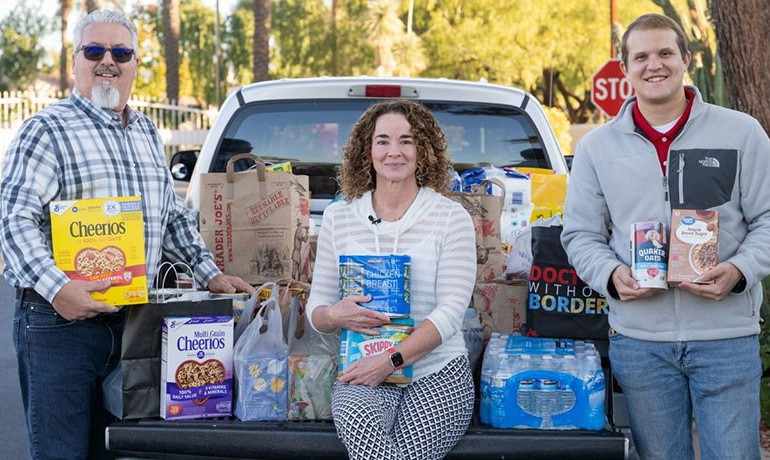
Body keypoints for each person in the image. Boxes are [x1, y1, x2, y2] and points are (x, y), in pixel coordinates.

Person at [0, 10, 255, 460]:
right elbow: (12, 219)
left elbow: (171, 214)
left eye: (120, 52)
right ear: (74, 60)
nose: (107, 62)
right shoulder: (46, 130)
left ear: (135, 63)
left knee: (118, 451)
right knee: (60, 452)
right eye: (94, 51)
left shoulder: (144, 131)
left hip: (133, 321)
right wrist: (60, 289)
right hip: (59, 324)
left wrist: (211, 275)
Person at [562, 13, 770, 460]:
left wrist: (738, 270)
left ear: (686, 59)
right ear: (625, 69)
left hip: (726, 338)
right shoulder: (597, 148)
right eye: (641, 56)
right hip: (640, 343)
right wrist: (612, 274)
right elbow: (580, 234)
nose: (653, 65)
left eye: (664, 53)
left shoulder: (741, 132)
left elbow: (768, 219)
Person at [306, 99, 476, 459]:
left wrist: (391, 361)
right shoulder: (339, 217)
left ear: (423, 150)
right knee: (358, 422)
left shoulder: (451, 218)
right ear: (367, 151)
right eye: (382, 141)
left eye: (406, 141)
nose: (393, 152)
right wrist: (335, 316)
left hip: (437, 368)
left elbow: (450, 313)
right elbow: (316, 309)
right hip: (363, 362)